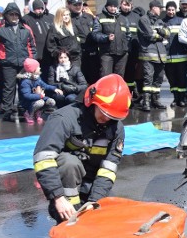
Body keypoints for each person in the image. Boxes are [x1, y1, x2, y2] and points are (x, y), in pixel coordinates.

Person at [33, 73, 130, 223]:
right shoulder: (64, 119)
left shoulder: (116, 128)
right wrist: (58, 197)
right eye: (104, 113)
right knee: (69, 162)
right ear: (92, 102)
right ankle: (66, 217)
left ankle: (86, 208)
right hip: (66, 186)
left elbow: (108, 170)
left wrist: (95, 202)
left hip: (90, 185)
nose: (108, 119)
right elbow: (43, 160)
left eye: (113, 117)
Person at [0, 3, 36, 122]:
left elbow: (32, 46)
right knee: (8, 88)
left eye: (16, 14)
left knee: (24, 87)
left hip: (24, 64)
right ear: (6, 16)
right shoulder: (1, 29)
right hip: (7, 64)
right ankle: (7, 111)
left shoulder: (26, 29)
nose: (14, 16)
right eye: (11, 14)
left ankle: (23, 109)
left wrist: (32, 61)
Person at [136, 0, 170, 111]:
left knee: (159, 79)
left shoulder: (160, 21)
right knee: (148, 79)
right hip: (148, 54)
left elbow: (168, 33)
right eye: (159, 8)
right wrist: (161, 35)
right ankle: (146, 102)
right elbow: (149, 35)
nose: (160, 10)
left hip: (160, 55)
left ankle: (155, 100)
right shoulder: (143, 20)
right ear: (153, 8)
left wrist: (160, 32)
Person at [92, 0, 129, 80]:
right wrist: (106, 38)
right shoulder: (100, 17)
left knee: (119, 79)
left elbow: (128, 35)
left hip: (121, 54)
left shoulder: (123, 19)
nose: (113, 8)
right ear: (107, 6)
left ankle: (117, 93)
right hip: (106, 54)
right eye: (111, 6)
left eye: (115, 6)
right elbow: (95, 34)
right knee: (105, 78)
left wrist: (125, 47)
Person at [17, 57, 62, 124]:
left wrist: (54, 88)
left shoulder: (37, 78)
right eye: (38, 67)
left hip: (39, 98)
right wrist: (39, 96)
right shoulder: (25, 82)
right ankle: (29, 114)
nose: (40, 68)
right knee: (40, 103)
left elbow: (45, 85)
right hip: (28, 102)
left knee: (51, 102)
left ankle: (38, 112)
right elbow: (27, 95)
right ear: (33, 70)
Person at [162, 1, 187, 107]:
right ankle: (175, 98)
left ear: (175, 10)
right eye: (169, 10)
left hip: (181, 55)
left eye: (173, 10)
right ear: (166, 10)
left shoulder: (181, 21)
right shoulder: (162, 22)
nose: (171, 12)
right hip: (167, 56)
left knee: (181, 78)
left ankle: (181, 99)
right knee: (171, 79)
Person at [67, 0, 99, 84]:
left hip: (93, 52)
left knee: (94, 77)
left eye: (79, 4)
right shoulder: (68, 19)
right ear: (69, 6)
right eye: (75, 5)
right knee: (80, 78)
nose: (78, 7)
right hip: (78, 53)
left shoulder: (89, 17)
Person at [22, 0, 53, 75]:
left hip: (47, 54)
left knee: (47, 75)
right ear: (32, 8)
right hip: (35, 54)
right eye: (37, 8)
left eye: (41, 8)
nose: (40, 10)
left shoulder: (46, 18)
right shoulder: (26, 19)